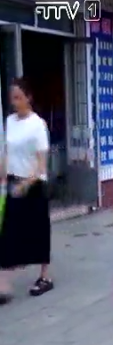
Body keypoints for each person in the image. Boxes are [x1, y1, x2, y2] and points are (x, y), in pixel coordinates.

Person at [0, 77, 53, 305]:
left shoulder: (38, 124)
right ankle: (4, 284)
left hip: (34, 184)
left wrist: (27, 183)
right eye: (12, 98)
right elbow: (6, 152)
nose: (14, 102)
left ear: (29, 98)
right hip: (13, 181)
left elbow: (42, 164)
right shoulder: (9, 121)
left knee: (39, 230)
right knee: (8, 231)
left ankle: (44, 277)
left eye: (19, 97)